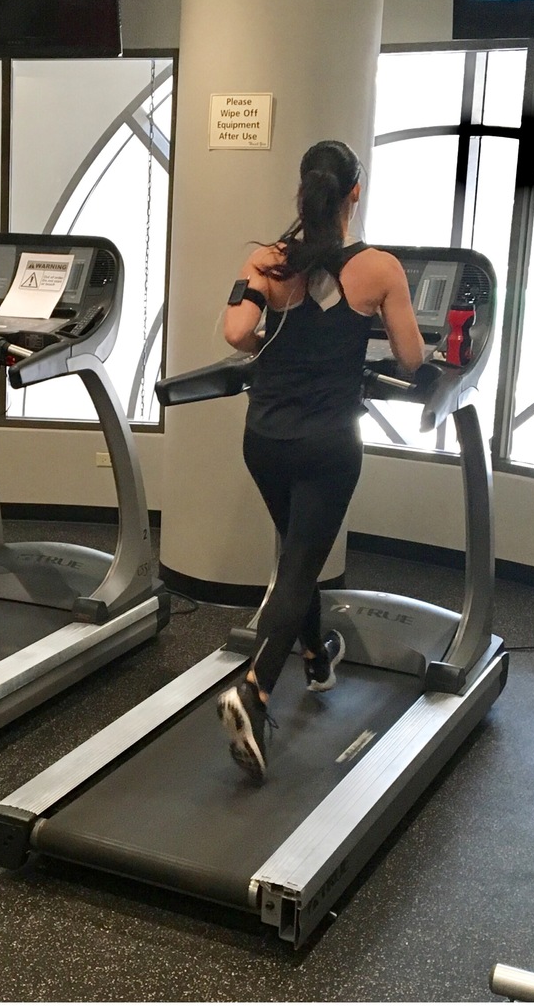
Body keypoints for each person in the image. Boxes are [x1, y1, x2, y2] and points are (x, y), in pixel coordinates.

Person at [215, 139, 426, 782]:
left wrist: (276, 323)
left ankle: (314, 655)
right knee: (302, 564)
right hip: (329, 443)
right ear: (353, 195)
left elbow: (233, 334)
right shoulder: (381, 270)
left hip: (265, 439)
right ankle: (253, 690)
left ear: (299, 194)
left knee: (296, 551)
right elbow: (413, 360)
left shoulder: (267, 261)